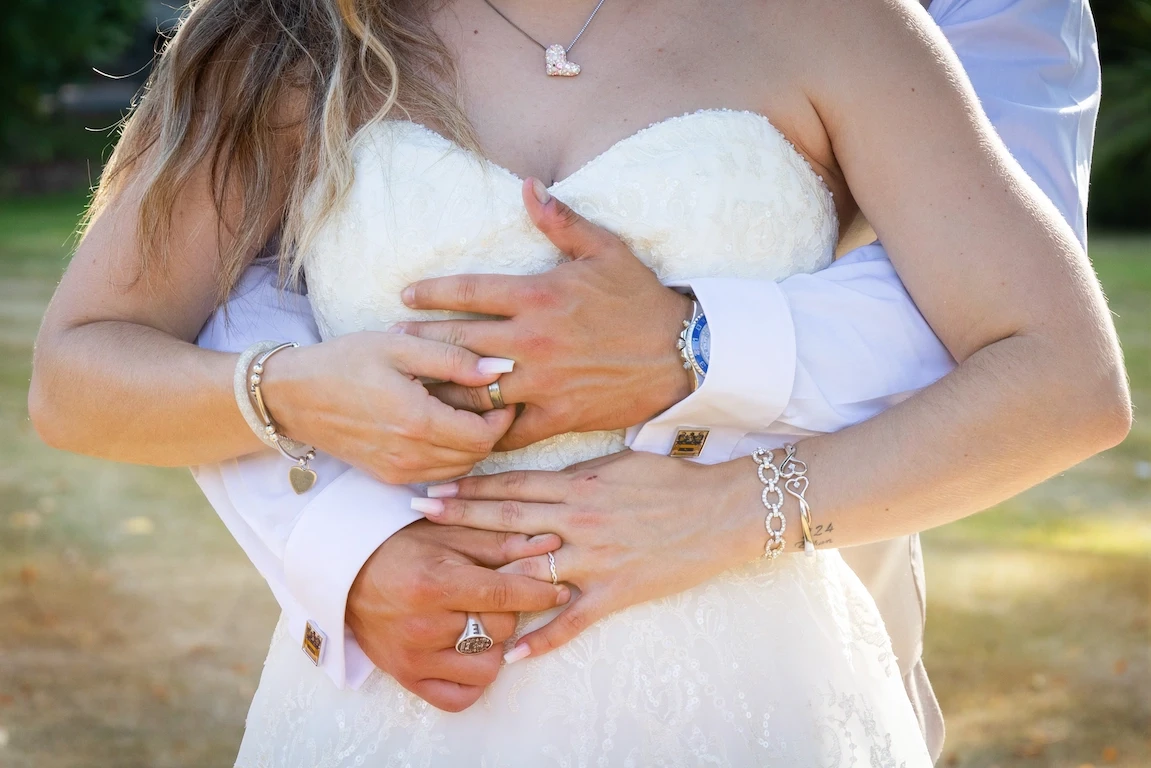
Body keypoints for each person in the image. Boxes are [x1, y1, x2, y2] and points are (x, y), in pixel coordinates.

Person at [28, 0, 1127, 764]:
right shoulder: (287, 33)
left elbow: (1061, 377)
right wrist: (293, 392)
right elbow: (78, 371)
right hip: (403, 710)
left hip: (754, 686)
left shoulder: (836, 23)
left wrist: (728, 512)